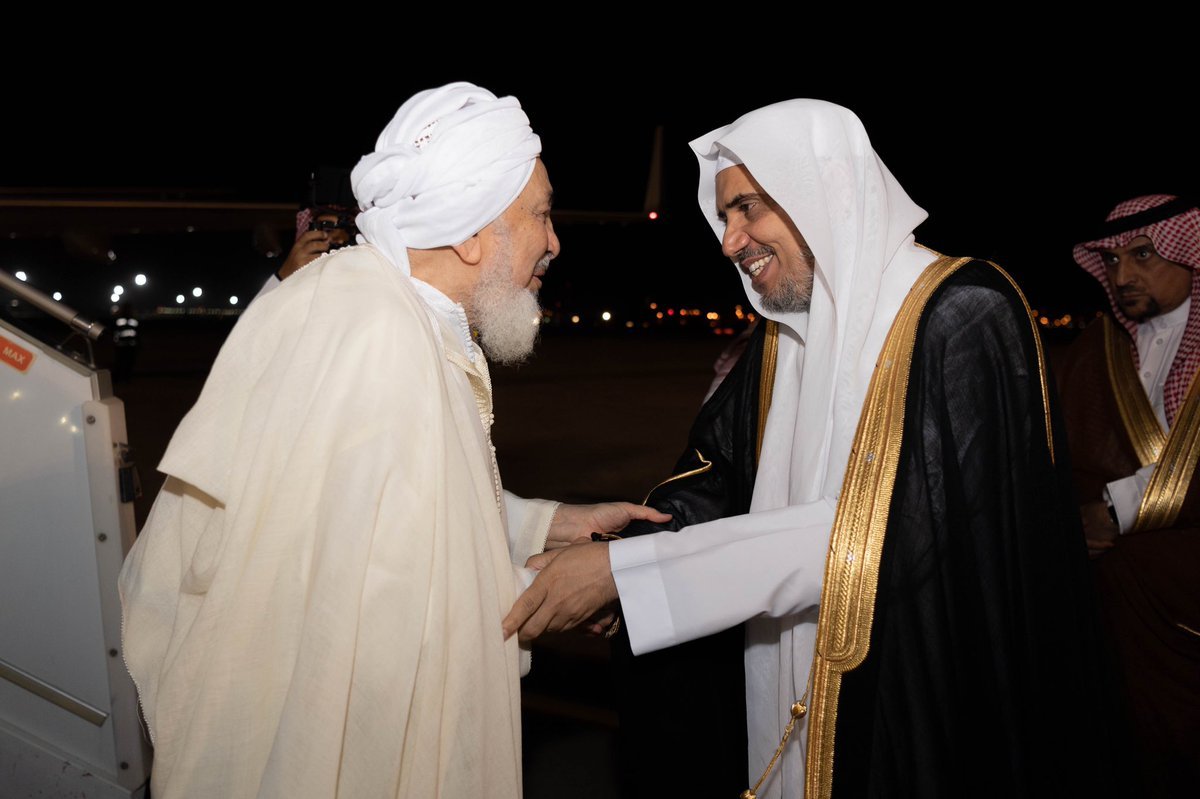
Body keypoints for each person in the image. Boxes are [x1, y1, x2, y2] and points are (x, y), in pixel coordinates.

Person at [505, 100, 1113, 798]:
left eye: (748, 209)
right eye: (724, 217)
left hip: (910, 694)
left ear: (821, 189)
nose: (730, 241)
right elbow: (716, 478)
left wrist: (630, 576)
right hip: (781, 684)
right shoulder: (784, 335)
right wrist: (621, 551)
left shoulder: (961, 312)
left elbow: (902, 530)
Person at [118, 82, 664, 799]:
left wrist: (549, 525)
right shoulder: (374, 335)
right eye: (540, 213)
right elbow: (376, 615)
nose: (554, 241)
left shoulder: (394, 312)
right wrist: (551, 588)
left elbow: (397, 509)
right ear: (471, 231)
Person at [1057, 194, 1200, 797]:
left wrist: (1113, 511)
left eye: (1143, 255)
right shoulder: (1097, 348)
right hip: (1116, 601)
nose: (1122, 276)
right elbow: (1057, 451)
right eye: (1112, 260)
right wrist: (1071, 516)